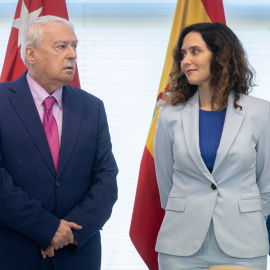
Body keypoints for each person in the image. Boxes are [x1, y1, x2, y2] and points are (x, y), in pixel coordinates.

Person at [0, 15, 118, 270]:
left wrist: (69, 233)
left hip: (78, 253)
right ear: (30, 54)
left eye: (74, 46)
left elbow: (106, 179)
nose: (72, 54)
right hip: (14, 251)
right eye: (61, 46)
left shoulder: (92, 107)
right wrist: (47, 228)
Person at [154, 22, 270, 270]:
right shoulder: (169, 115)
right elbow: (166, 182)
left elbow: (267, 183)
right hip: (180, 246)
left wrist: (246, 219)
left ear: (220, 55)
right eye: (183, 54)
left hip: (243, 245)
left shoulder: (261, 112)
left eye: (195, 51)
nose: (186, 60)